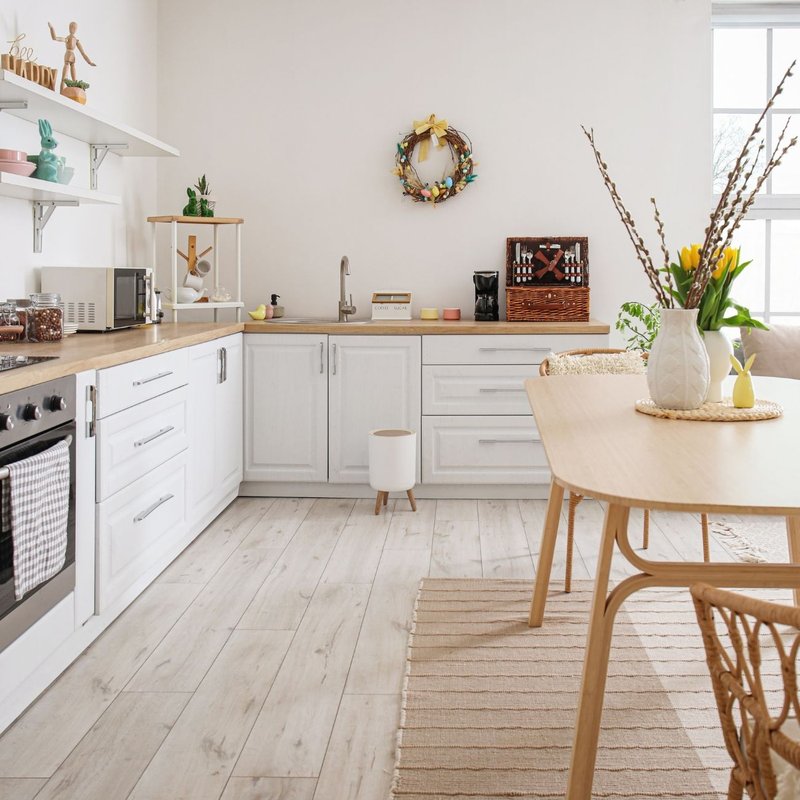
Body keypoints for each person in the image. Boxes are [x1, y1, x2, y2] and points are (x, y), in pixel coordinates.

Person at [47, 21, 95, 91]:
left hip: (72, 56)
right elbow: (55, 38)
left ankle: (75, 91)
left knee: (74, 79)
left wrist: (89, 62)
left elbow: (83, 53)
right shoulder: (68, 38)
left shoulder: (76, 41)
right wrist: (51, 28)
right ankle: (62, 91)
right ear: (69, 28)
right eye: (72, 27)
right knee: (64, 76)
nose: (73, 29)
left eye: (74, 28)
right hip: (68, 55)